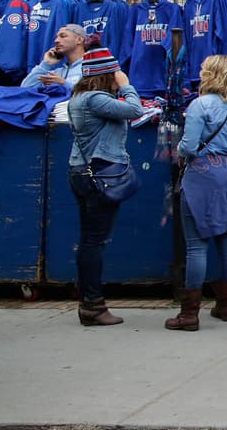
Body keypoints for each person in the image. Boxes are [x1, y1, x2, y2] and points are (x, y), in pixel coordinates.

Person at [166, 54, 227, 331]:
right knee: (226, 240)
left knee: (196, 244)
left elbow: (188, 147)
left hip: (203, 174)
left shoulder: (199, 105)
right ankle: (226, 306)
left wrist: (181, 151)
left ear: (211, 74)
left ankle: (189, 314)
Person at [66, 47, 143, 326]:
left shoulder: (79, 97)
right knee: (95, 241)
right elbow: (134, 109)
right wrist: (126, 85)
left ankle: (88, 300)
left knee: (89, 240)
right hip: (100, 175)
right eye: (115, 73)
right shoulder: (96, 99)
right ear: (106, 74)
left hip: (81, 171)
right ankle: (93, 305)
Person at [22, 23, 88, 89]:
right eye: (56, 37)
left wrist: (64, 84)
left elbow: (93, 95)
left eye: (63, 36)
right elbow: (27, 87)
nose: (56, 41)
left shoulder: (91, 67)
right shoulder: (57, 72)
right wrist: (46, 64)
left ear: (79, 39)